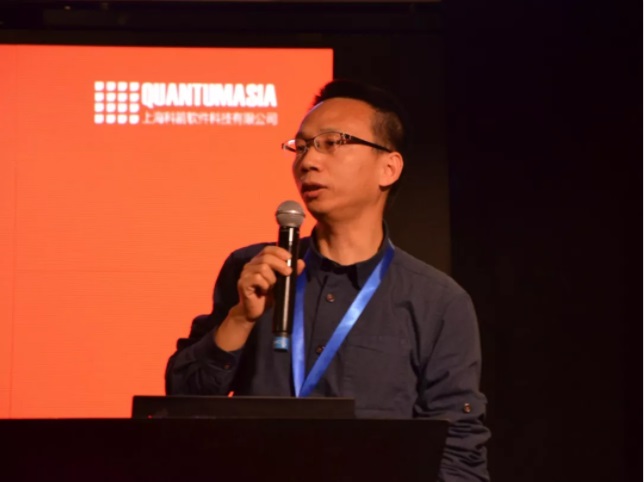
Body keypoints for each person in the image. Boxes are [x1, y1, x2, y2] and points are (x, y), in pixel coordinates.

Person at [165, 79, 490, 480]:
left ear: (388, 167)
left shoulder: (437, 301)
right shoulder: (252, 269)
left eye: (332, 143)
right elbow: (179, 406)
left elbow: (456, 450)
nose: (308, 161)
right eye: (301, 147)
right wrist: (240, 319)